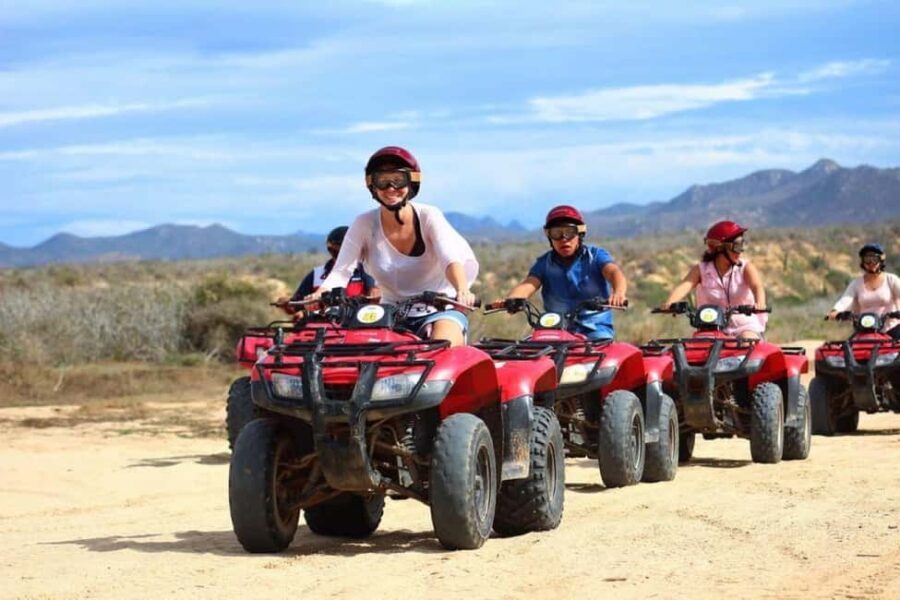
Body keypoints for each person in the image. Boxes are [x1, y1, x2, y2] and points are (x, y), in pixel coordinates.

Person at [309, 146, 478, 347]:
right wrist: (321, 293)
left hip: (440, 307)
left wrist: (461, 289)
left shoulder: (428, 216)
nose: (391, 188)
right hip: (388, 313)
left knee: (444, 347)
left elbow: (449, 258)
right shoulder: (364, 223)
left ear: (412, 182)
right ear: (372, 184)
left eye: (398, 180)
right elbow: (341, 271)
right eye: (383, 180)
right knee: (357, 354)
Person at [504, 205, 627, 341]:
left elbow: (614, 272)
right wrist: (512, 299)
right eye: (556, 233)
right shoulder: (544, 263)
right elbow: (528, 284)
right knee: (527, 352)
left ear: (580, 234)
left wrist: (619, 293)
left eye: (569, 232)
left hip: (595, 330)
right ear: (549, 236)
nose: (563, 239)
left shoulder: (596, 256)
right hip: (555, 330)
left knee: (604, 358)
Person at [662, 220, 767, 339]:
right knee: (698, 348)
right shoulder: (701, 269)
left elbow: (757, 287)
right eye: (736, 246)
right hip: (712, 326)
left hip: (745, 325)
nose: (740, 251)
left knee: (748, 342)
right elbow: (685, 285)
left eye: (741, 244)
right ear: (719, 248)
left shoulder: (745, 267)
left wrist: (760, 304)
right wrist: (670, 303)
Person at [275, 226, 377, 316]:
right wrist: (287, 303)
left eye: (345, 252)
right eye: (336, 251)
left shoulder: (367, 271)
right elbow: (294, 306)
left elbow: (375, 297)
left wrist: (362, 300)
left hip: (356, 327)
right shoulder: (316, 274)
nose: (342, 257)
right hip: (321, 327)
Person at [827, 243, 900, 339]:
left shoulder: (891, 280)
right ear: (863, 261)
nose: (871, 263)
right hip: (864, 331)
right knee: (845, 351)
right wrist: (835, 312)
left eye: (874, 259)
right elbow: (845, 300)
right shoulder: (856, 284)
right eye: (867, 259)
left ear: (881, 259)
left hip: (891, 329)